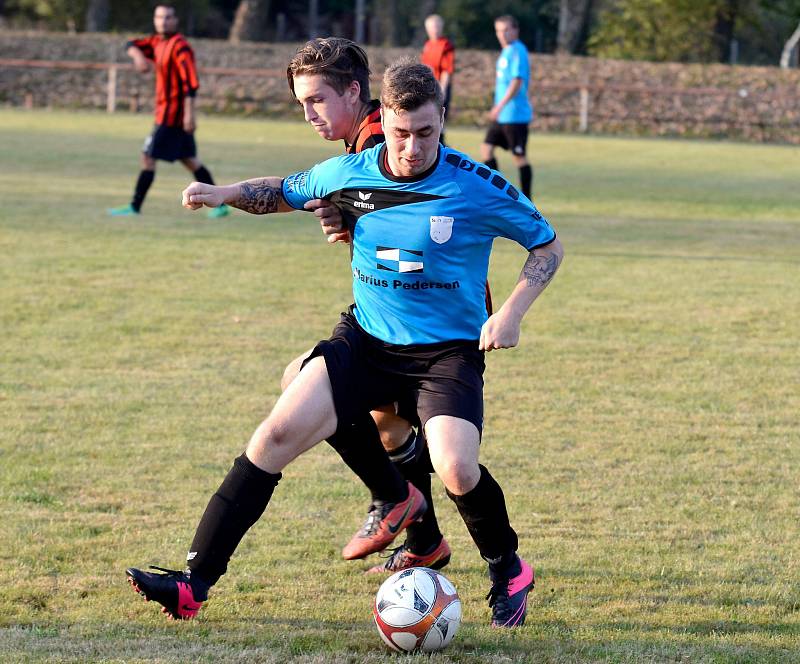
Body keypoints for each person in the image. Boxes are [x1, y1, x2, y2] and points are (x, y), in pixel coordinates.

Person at [126, 60, 563, 628]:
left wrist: (510, 312)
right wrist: (221, 192)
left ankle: (507, 567)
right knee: (277, 431)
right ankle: (193, 584)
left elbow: (547, 246)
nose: (411, 147)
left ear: (442, 121)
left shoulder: (475, 184)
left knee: (455, 469)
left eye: (426, 133)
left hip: (446, 354)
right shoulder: (351, 172)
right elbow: (281, 191)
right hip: (366, 340)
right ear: (384, 118)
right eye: (401, 133)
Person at [283, 38, 452, 574]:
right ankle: (422, 536)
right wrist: (343, 220)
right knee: (387, 423)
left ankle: (415, 523)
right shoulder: (363, 141)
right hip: (409, 307)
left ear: (354, 92)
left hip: (425, 314)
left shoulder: (381, 136)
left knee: (334, 395)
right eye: (301, 103)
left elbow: (413, 216)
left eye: (317, 100)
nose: (309, 115)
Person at [108, 4, 228, 218]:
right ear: (155, 20)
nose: (163, 21)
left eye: (168, 17)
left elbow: (191, 83)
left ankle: (135, 207)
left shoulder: (180, 47)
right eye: (159, 17)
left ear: (176, 20)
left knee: (147, 157)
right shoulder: (156, 42)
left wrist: (190, 115)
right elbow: (131, 44)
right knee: (190, 160)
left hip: (173, 117)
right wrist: (138, 57)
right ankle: (220, 205)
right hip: (165, 113)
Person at [481, 14, 534, 199]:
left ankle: (527, 199)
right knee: (486, 149)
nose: (501, 34)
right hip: (502, 115)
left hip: (514, 115)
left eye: (505, 30)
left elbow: (517, 81)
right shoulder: (505, 52)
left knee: (519, 157)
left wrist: (500, 105)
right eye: (498, 31)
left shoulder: (518, 50)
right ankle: (500, 193)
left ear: (515, 30)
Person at [420, 14, 455, 145]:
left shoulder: (446, 45)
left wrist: (443, 90)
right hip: (428, 88)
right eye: (431, 27)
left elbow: (447, 70)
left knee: (439, 121)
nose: (434, 30)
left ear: (441, 27)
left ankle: (442, 149)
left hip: (440, 87)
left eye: (436, 26)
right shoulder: (428, 45)